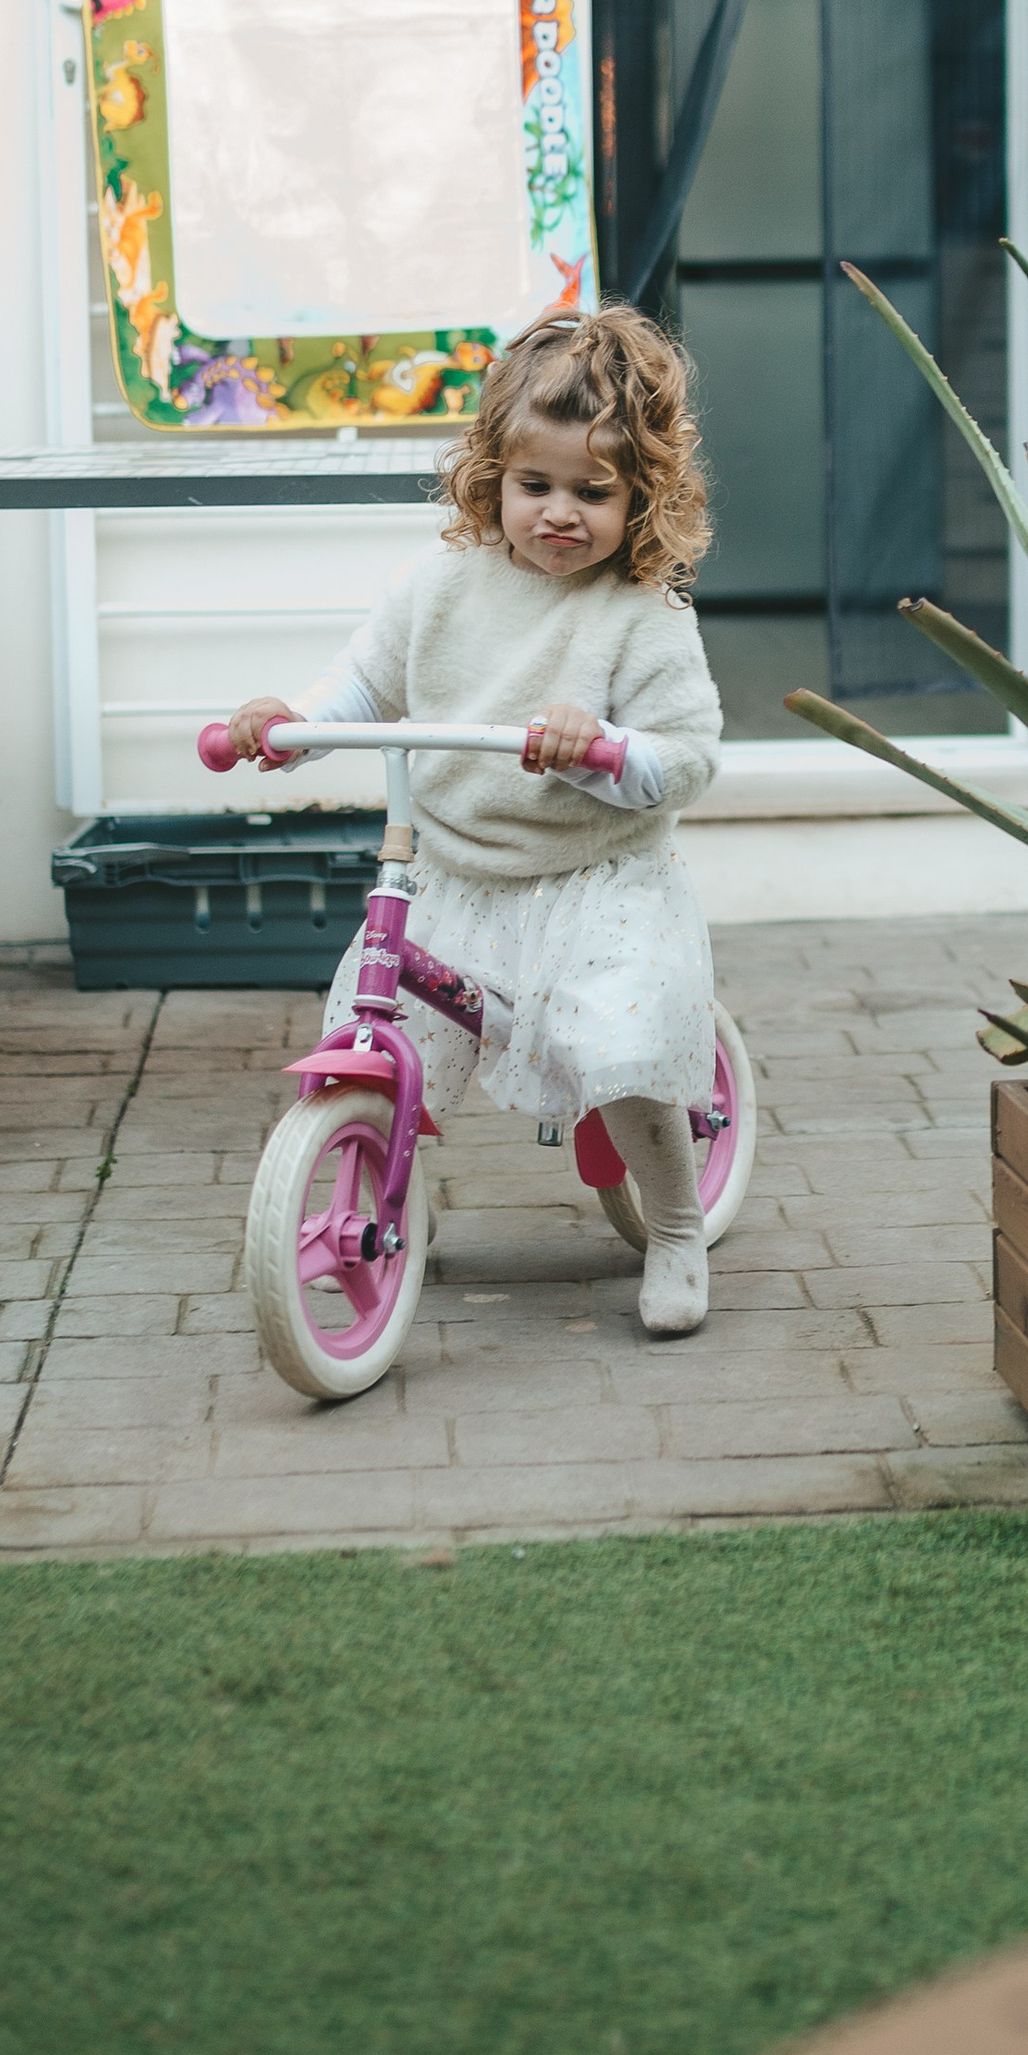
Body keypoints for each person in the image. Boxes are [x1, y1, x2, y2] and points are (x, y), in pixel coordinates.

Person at [225, 305, 725, 1337]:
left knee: (621, 1047)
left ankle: (675, 1224)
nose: (557, 512)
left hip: (594, 882)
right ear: (489, 473)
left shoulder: (643, 612)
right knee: (372, 1023)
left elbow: (685, 760)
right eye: (533, 484)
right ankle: (382, 1198)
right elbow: (364, 683)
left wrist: (602, 750)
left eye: (593, 492)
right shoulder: (439, 583)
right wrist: (292, 726)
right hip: (453, 872)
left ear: (641, 498)